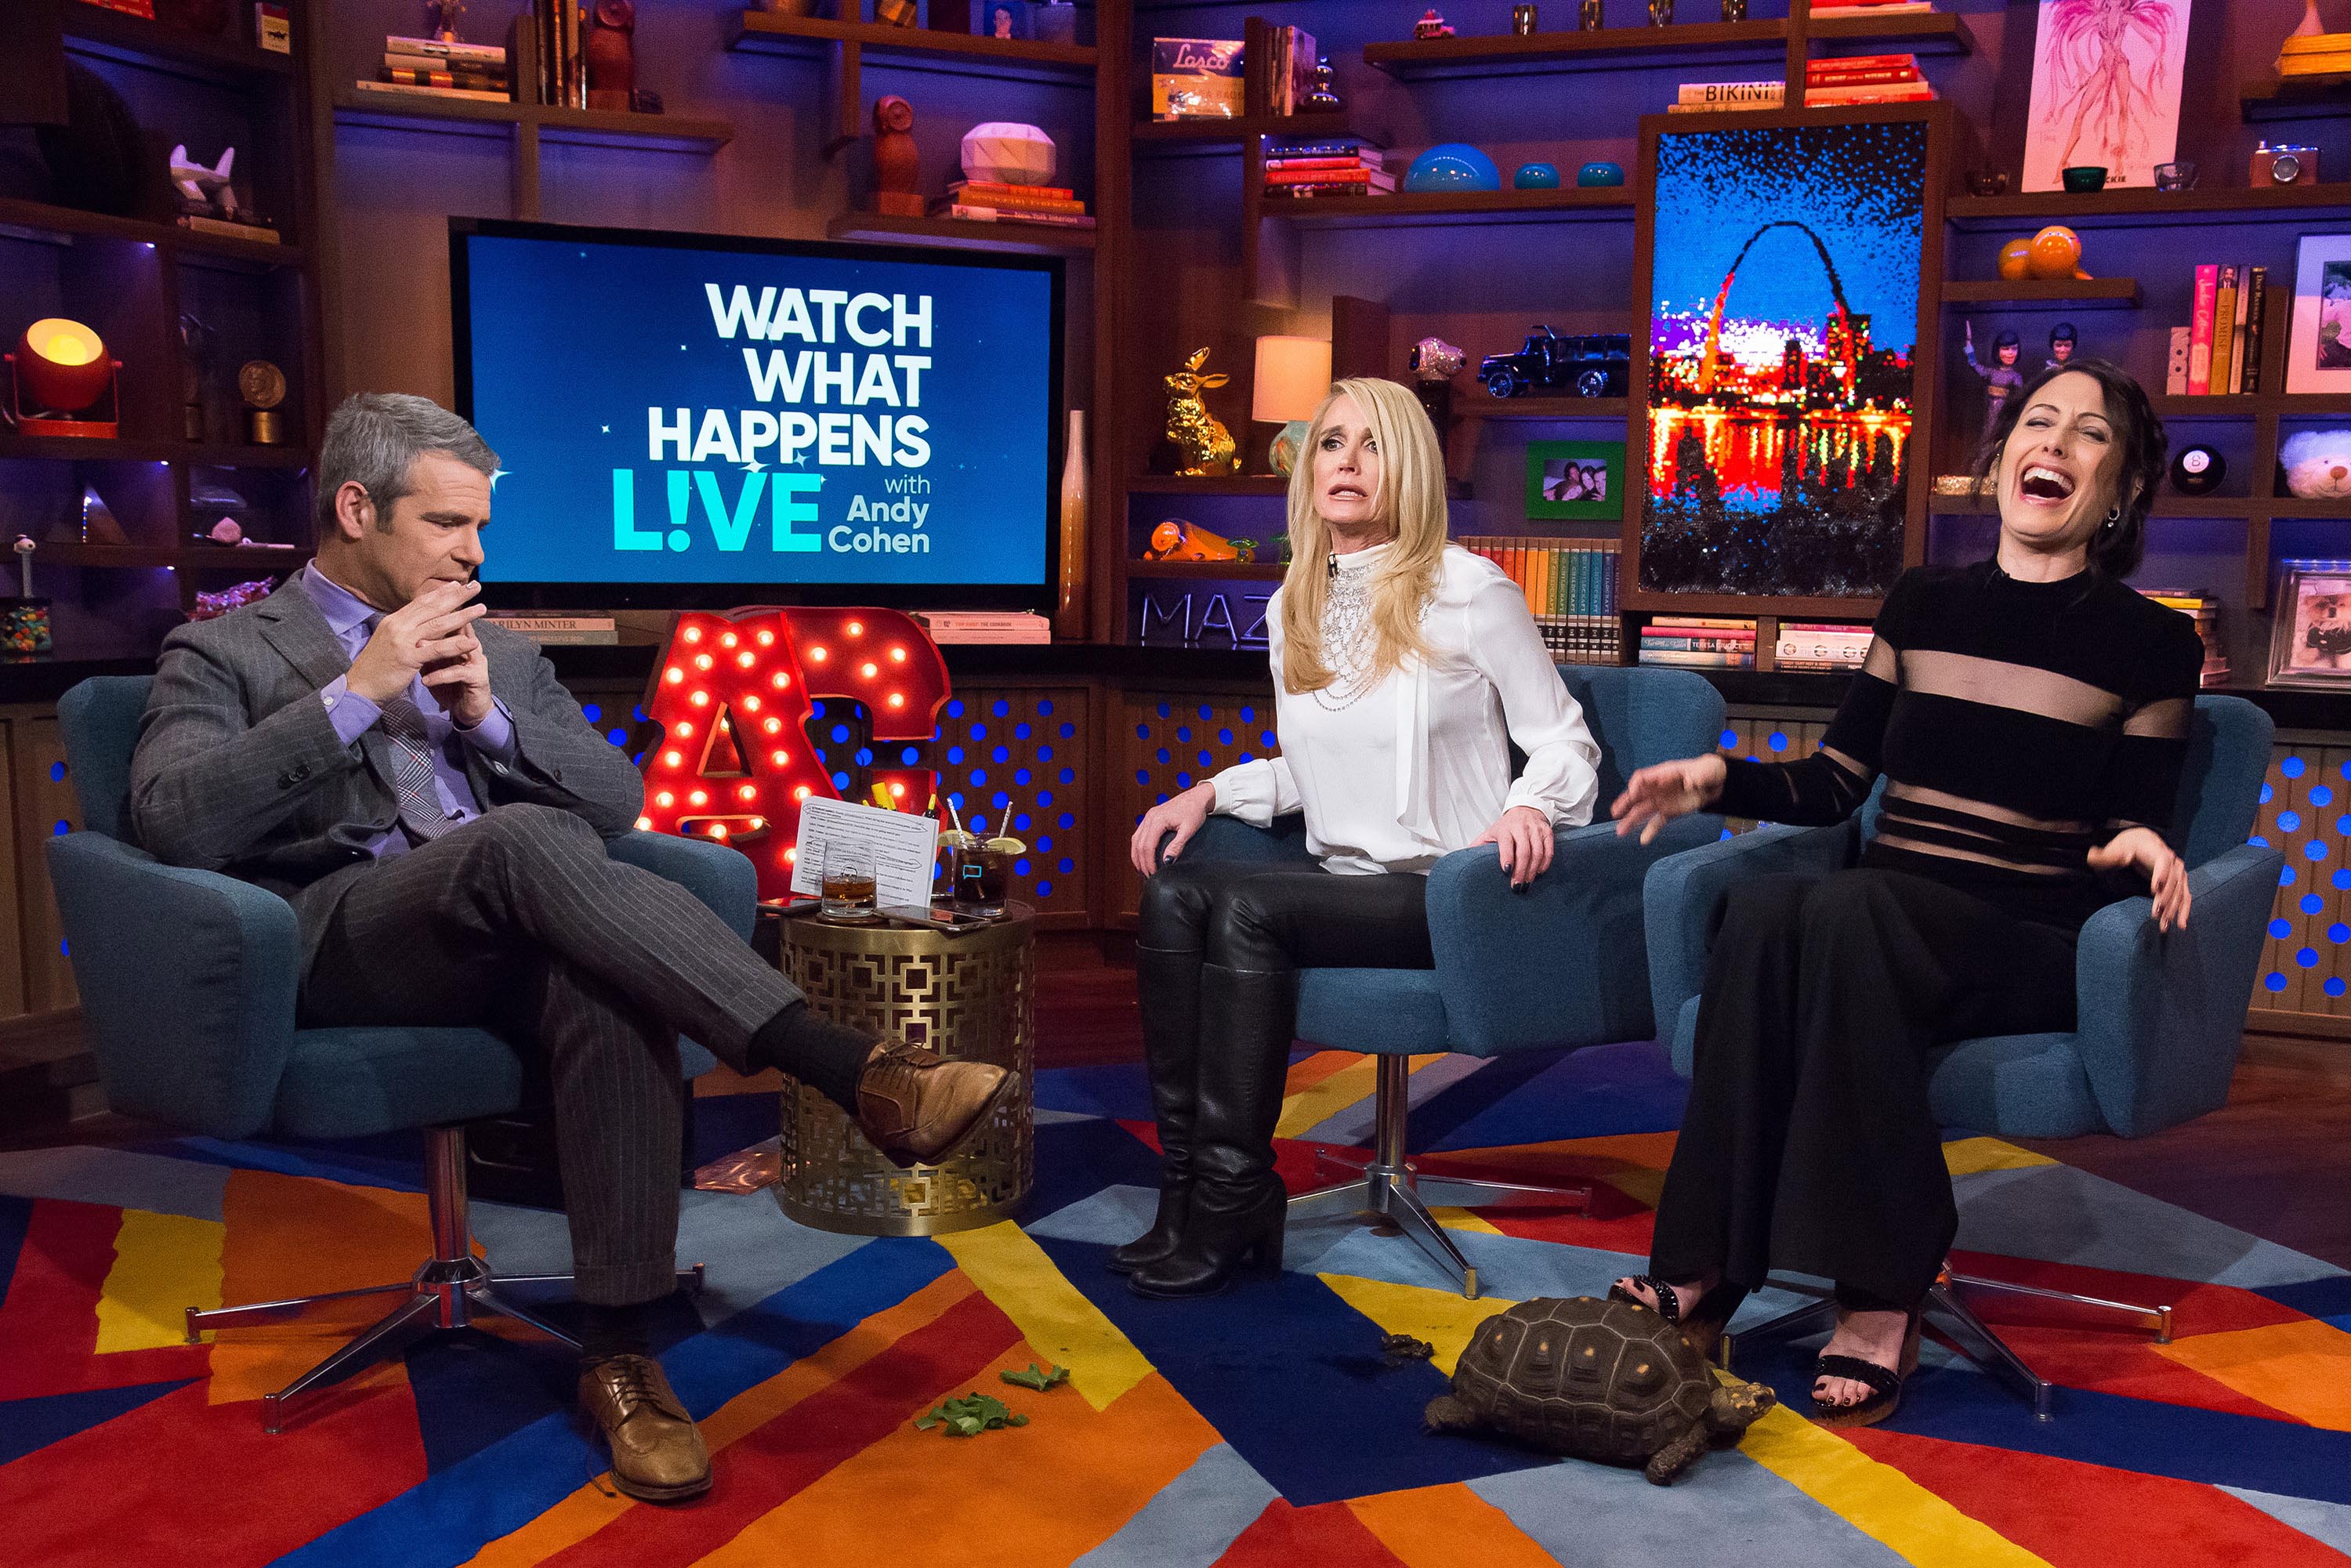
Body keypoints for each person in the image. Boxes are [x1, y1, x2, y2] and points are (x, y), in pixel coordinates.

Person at [129, 393, 1009, 1502]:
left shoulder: (498, 648)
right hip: (342, 934)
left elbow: (618, 797)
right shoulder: (222, 648)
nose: (474, 553)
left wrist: (491, 717)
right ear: (356, 508)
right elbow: (172, 817)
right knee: (522, 840)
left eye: (481, 528)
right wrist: (356, 696)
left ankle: (620, 1356)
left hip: (516, 919)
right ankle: (849, 1065)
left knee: (603, 975)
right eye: (448, 524)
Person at [1607, 359, 2201, 1427]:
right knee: (1766, 906)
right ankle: (1702, 1271)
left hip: (2025, 935)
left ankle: (1881, 1293)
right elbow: (1839, 784)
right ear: (2004, 456)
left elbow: (2131, 810)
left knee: (1847, 911)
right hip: (1881, 925)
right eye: (2037, 422)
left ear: (2122, 490)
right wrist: (1718, 779)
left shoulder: (2153, 641)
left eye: (2091, 435)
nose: (2055, 445)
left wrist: (2144, 844)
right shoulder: (1924, 602)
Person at [1121, 376, 1601, 1299]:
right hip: (1340, 888)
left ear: (1409, 468)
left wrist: (1531, 806)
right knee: (1174, 890)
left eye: (1372, 444)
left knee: (1247, 910)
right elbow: (1319, 767)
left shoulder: (1469, 592)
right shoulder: (1292, 605)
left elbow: (1564, 739)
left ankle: (1233, 1197)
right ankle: (1188, 1193)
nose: (1345, 461)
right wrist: (1207, 791)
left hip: (1451, 891)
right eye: (1331, 442)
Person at [1964, 321, 2024, 429]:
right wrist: (1969, 344)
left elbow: (2020, 400)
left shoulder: (2016, 377)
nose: (2010, 353)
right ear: (1998, 350)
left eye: (2014, 349)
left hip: (2005, 417)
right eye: (2006, 349)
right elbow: (1973, 364)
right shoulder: (1991, 373)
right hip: (1988, 414)